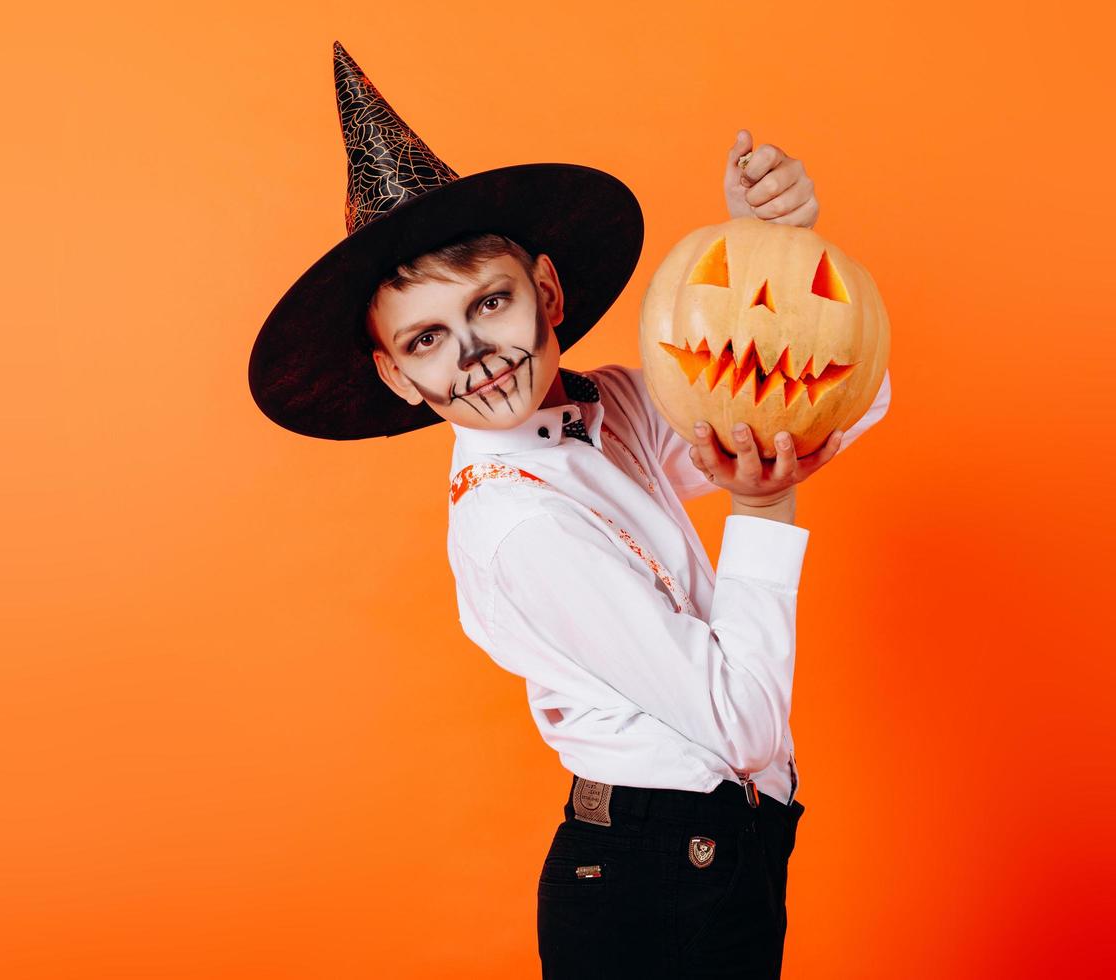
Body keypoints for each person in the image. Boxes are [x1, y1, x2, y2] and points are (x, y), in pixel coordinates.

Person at [250, 41, 891, 979]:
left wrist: (776, 252)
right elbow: (740, 721)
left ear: (546, 293)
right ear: (395, 375)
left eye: (492, 304)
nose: (477, 356)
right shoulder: (521, 526)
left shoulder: (610, 407)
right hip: (657, 878)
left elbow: (829, 406)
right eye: (428, 339)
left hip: (723, 854)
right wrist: (766, 507)